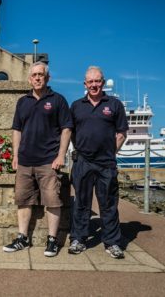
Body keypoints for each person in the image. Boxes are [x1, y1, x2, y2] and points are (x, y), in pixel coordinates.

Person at [3, 61, 72, 257]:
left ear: (48, 77)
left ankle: (52, 240)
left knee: (53, 201)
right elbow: (17, 130)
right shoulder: (22, 101)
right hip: (25, 161)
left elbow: (67, 129)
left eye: (41, 74)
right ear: (29, 79)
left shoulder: (58, 100)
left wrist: (60, 156)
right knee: (23, 201)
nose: (37, 78)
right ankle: (22, 238)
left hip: (48, 161)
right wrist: (15, 155)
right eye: (34, 75)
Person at [69, 66, 128, 259]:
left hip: (106, 164)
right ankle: (78, 239)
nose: (94, 85)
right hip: (83, 162)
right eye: (90, 82)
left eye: (97, 81)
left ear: (103, 82)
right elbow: (71, 133)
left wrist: (110, 153)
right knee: (81, 203)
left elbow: (121, 134)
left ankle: (112, 243)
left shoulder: (115, 104)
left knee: (109, 204)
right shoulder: (76, 106)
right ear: (85, 84)